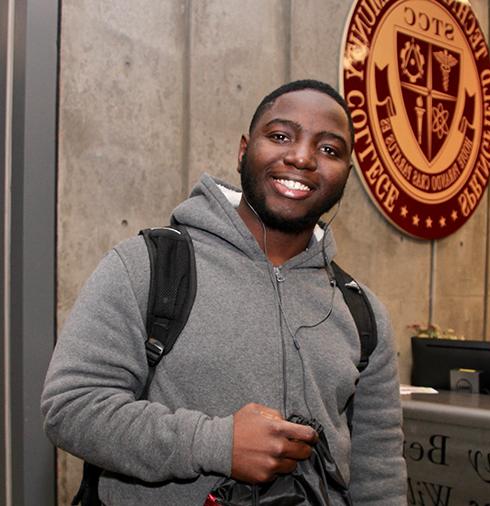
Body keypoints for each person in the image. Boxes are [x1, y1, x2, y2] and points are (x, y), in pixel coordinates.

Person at [41, 79, 408, 504]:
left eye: (329, 149)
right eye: (280, 136)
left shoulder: (362, 314)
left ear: (347, 173)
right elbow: (71, 408)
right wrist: (217, 443)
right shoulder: (149, 266)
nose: (302, 157)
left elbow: (378, 475)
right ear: (243, 150)